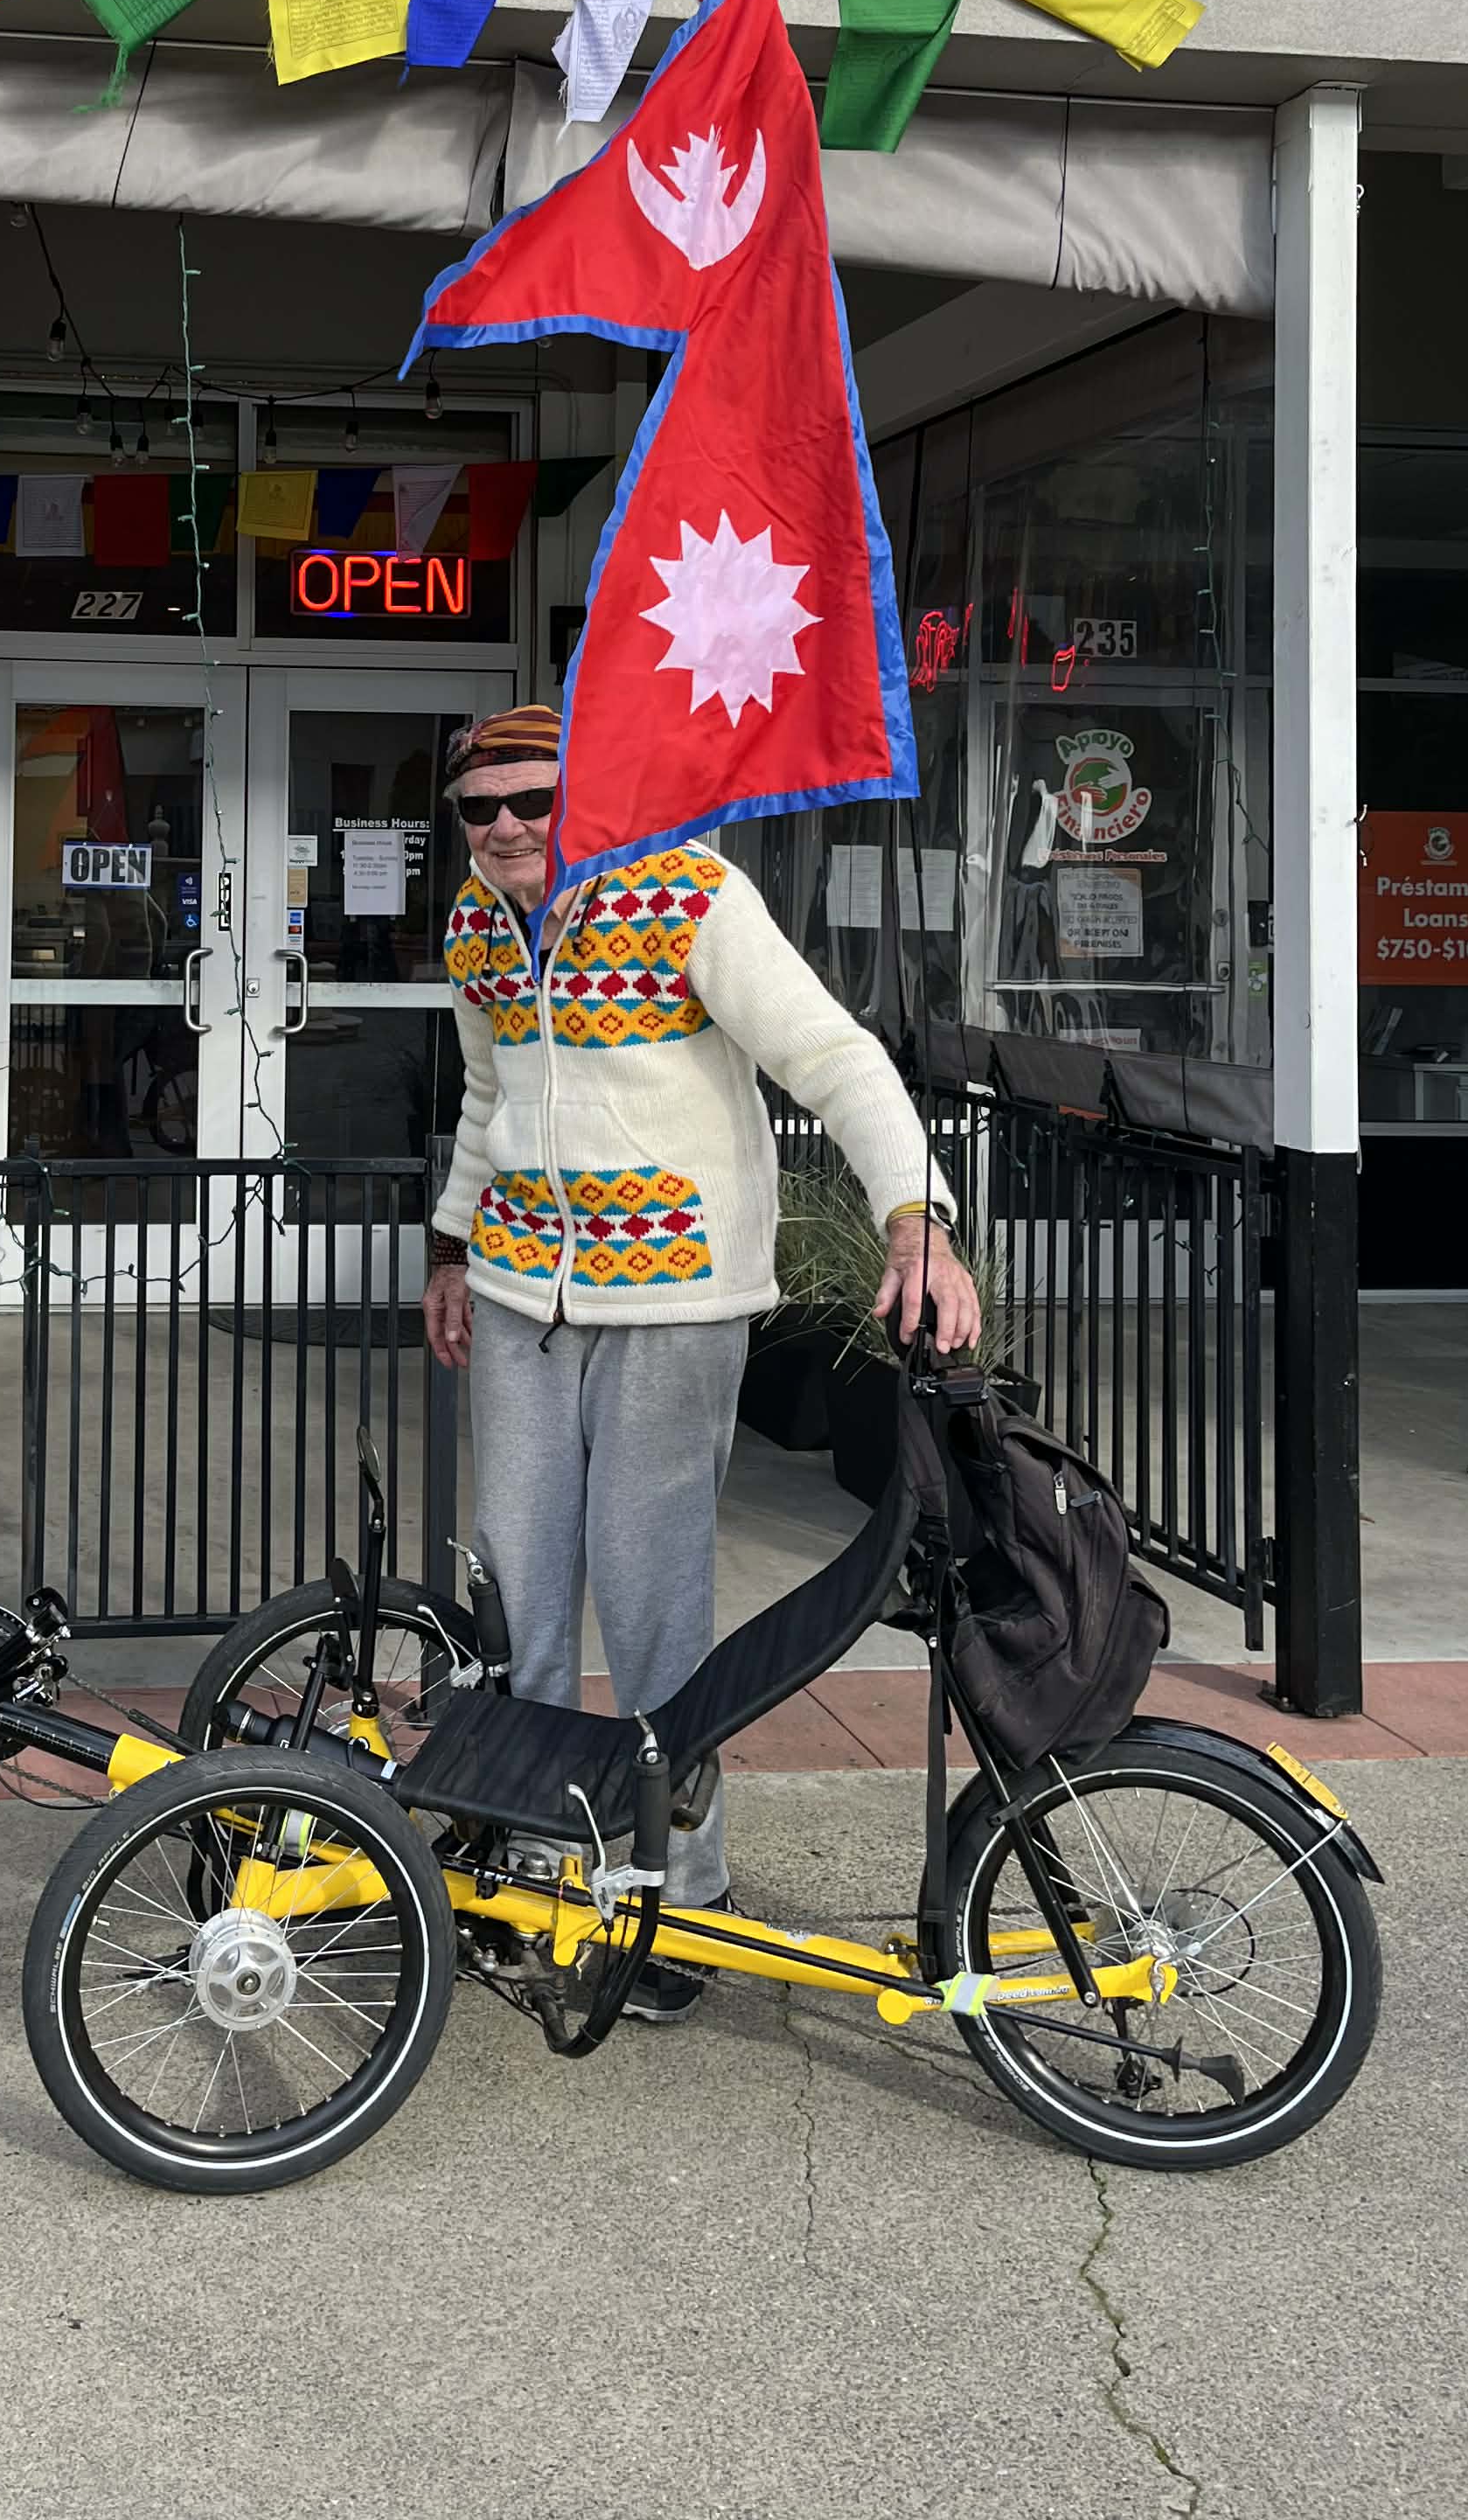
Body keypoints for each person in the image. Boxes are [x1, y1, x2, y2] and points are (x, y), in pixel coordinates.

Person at [423, 702, 978, 2018]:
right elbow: (488, 1096)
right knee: (508, 1603)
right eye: (479, 808)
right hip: (516, 1292)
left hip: (674, 1297)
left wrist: (917, 1213)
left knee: (652, 1603)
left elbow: (833, 1056)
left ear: (589, 792)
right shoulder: (473, 923)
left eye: (532, 800)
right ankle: (532, 1871)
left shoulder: (688, 890)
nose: (505, 827)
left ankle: (686, 1900)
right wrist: (451, 1249)